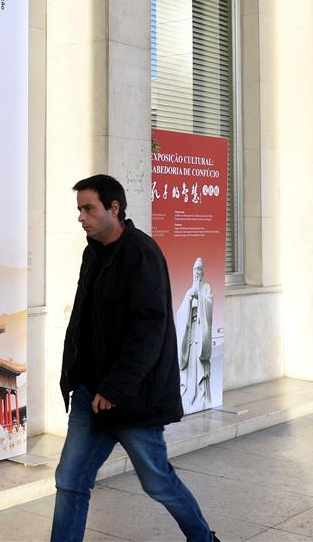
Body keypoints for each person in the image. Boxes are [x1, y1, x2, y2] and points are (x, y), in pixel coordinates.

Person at [52, 174, 218, 542]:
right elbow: (83, 320)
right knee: (70, 480)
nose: (81, 217)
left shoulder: (142, 254)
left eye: (89, 208)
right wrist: (76, 378)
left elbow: (149, 330)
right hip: (89, 393)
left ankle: (203, 538)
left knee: (157, 481)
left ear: (115, 208)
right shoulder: (92, 252)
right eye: (79, 209)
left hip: (131, 399)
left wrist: (114, 387)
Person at [176, 258, 213, 413]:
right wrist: (188, 299)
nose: (197, 272)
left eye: (199, 269)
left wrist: (200, 298)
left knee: (200, 367)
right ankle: (189, 399)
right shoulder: (189, 290)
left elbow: (209, 305)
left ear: (202, 272)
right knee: (190, 368)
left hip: (200, 333)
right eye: (195, 270)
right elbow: (180, 314)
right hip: (190, 334)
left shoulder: (206, 288)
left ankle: (202, 397)